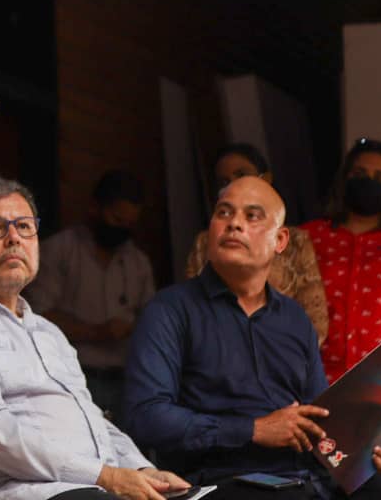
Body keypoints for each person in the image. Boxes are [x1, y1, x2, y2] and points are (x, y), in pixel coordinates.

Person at [0, 176, 190, 500]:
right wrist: (107, 476)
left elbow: (94, 422)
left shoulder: (48, 332)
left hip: (91, 489)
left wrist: (142, 470)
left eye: (24, 227)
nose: (13, 238)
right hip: (19, 494)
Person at [123, 177, 331, 489]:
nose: (234, 223)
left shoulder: (295, 318)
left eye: (252, 216)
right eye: (223, 212)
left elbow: (321, 418)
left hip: (305, 479)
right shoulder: (170, 310)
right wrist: (252, 429)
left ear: (280, 240)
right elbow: (144, 416)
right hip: (221, 482)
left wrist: (368, 451)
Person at [25, 170, 155, 424]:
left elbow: (150, 319)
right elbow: (37, 317)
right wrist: (97, 332)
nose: (122, 229)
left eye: (130, 224)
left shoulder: (138, 263)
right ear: (95, 208)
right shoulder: (59, 251)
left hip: (124, 382)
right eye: (117, 219)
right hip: (69, 378)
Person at [185, 143, 328, 345]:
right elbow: (192, 317)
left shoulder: (296, 242)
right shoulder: (206, 243)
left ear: (266, 179)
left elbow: (315, 321)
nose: (234, 185)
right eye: (224, 181)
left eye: (241, 175)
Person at [300, 137, 381, 383]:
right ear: (344, 178)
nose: (369, 182)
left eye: (380, 177)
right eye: (360, 173)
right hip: (313, 383)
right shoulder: (307, 238)